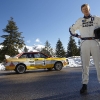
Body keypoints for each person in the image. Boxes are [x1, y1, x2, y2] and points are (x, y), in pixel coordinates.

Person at [69, 4, 100, 94]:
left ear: (89, 9)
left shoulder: (96, 18)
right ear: (81, 11)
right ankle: (84, 85)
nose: (85, 10)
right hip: (84, 43)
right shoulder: (80, 20)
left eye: (86, 8)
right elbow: (71, 29)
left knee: (98, 64)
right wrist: (77, 35)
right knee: (85, 65)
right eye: (83, 9)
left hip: (95, 42)